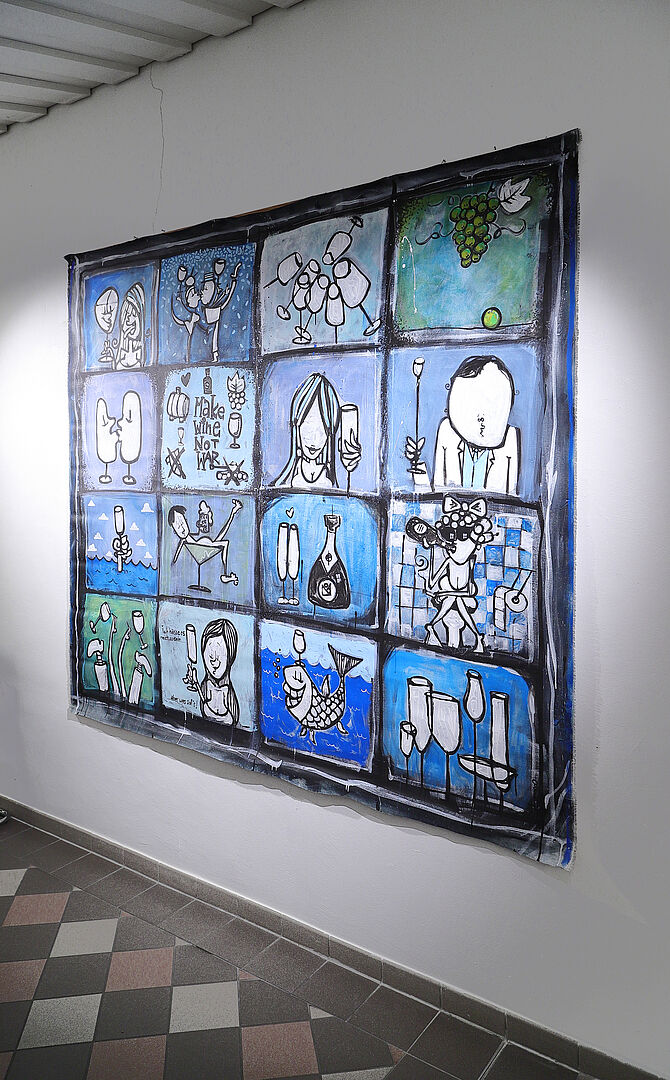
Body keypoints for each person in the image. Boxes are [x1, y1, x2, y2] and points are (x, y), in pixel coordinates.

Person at [409, 355, 519, 496]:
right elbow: (439, 493)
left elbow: (509, 499)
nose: (481, 417)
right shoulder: (447, 431)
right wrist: (420, 477)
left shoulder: (509, 438)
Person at [274, 371, 361, 488]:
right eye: (308, 428)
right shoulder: (290, 476)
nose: (314, 440)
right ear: (297, 426)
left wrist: (349, 464)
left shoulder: (330, 473)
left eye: (322, 431)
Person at [184, 618, 240, 724]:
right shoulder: (206, 686)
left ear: (230, 655)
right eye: (210, 655)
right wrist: (195, 682)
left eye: (220, 654)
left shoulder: (227, 692)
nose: (214, 661)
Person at [115, 283, 146, 369]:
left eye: (133, 315)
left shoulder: (139, 350)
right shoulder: (122, 347)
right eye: (127, 313)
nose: (129, 317)